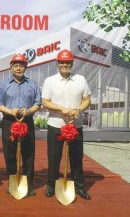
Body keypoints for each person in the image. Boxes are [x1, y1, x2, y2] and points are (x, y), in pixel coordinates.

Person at [41, 49, 91, 200]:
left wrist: (78, 109)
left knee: (76, 157)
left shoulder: (80, 79)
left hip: (75, 126)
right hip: (56, 125)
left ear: (72, 63)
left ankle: (80, 187)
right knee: (54, 157)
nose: (65, 64)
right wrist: (62, 109)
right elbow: (45, 102)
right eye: (62, 62)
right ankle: (51, 186)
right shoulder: (50, 81)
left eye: (68, 62)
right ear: (57, 63)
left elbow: (87, 99)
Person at [0, 53, 41, 196]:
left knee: (28, 153)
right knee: (10, 153)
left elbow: (38, 103)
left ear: (25, 67)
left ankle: (29, 184)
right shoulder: (4, 85)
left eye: (21, 65)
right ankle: (12, 181)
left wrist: (28, 111)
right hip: (9, 122)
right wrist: (10, 111)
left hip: (26, 121)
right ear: (11, 67)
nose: (18, 68)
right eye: (15, 65)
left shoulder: (33, 84)